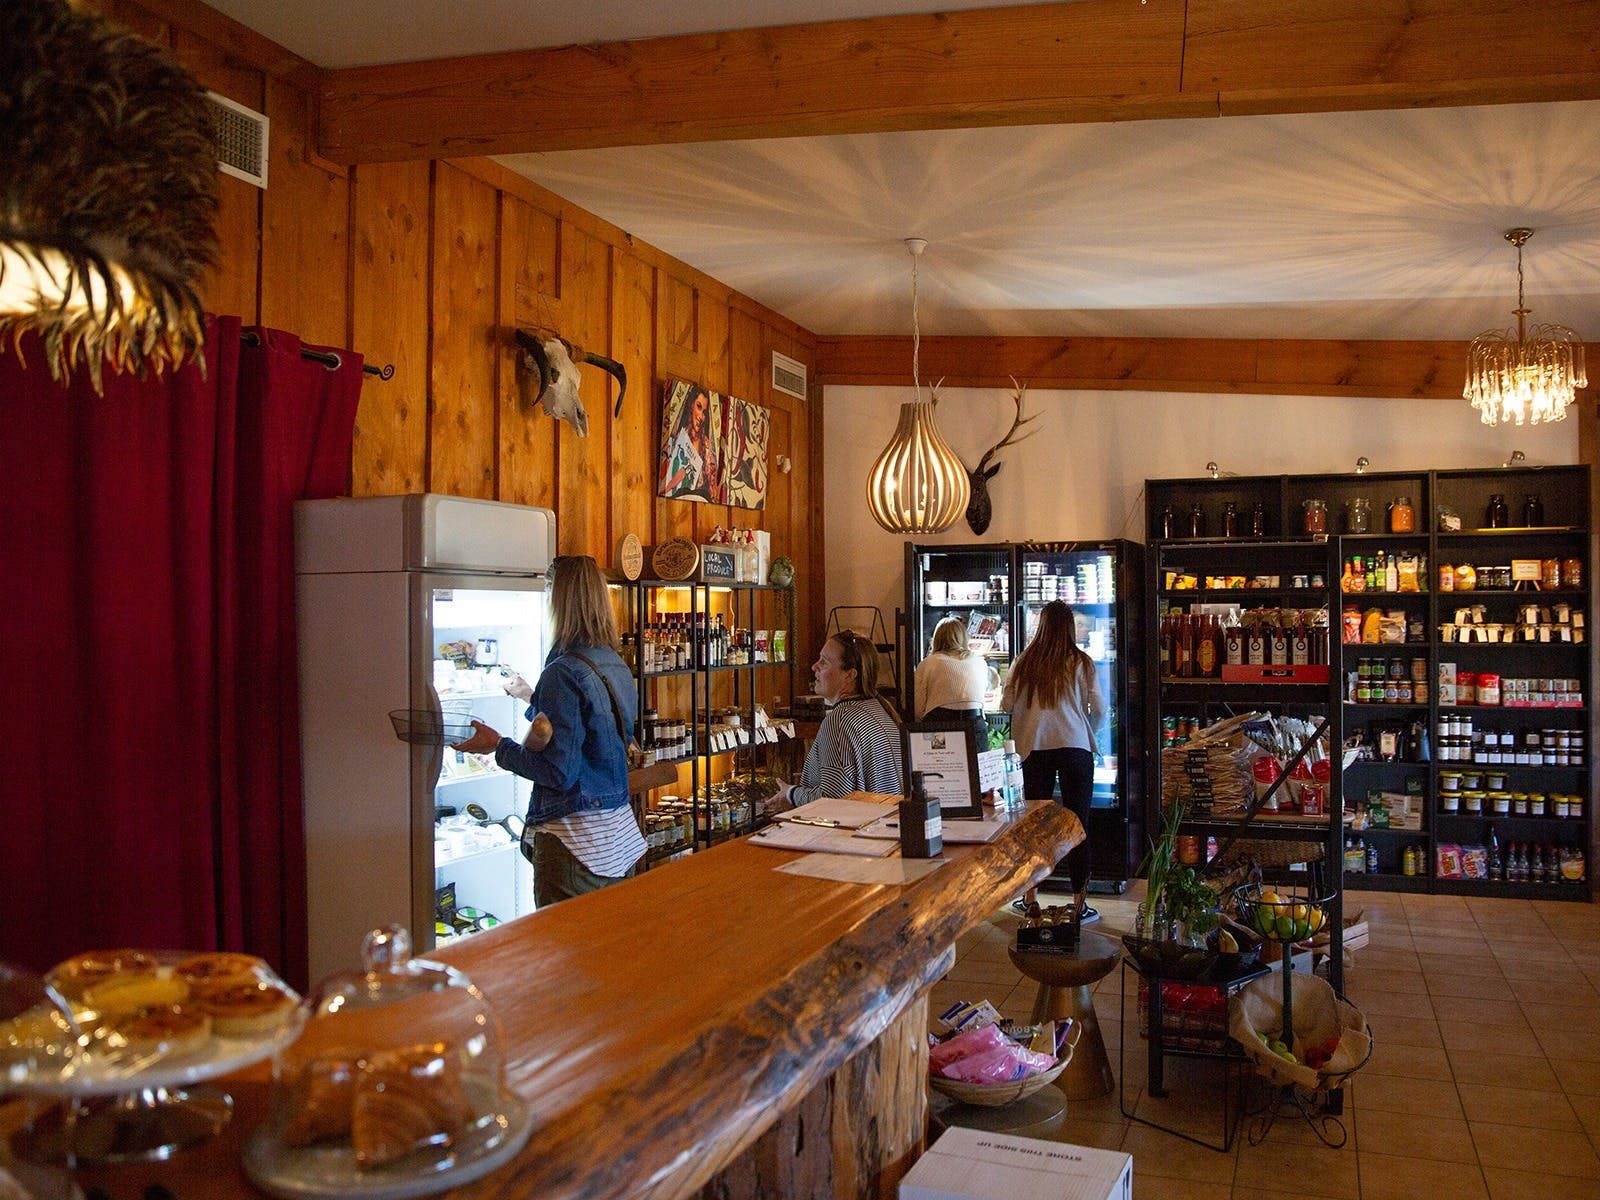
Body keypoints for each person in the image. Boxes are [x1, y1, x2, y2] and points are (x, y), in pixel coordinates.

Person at [453, 555, 645, 906]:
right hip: (617, 840)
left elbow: (558, 771)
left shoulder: (562, 671)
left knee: (564, 942)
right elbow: (592, 729)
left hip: (576, 843)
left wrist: (497, 745)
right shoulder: (612, 662)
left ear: (557, 600)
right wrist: (532, 696)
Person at [1001, 600, 1105, 923]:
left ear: (1040, 626)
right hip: (1075, 747)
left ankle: (1030, 899)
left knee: (1034, 827)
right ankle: (1079, 904)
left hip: (1034, 748)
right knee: (1077, 826)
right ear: (1070, 627)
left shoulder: (1024, 661)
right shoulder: (1082, 662)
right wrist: (1088, 730)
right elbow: (1099, 708)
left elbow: (1006, 703)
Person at [776, 630, 903, 807]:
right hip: (885, 819)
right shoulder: (880, 708)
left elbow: (834, 800)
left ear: (850, 675)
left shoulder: (839, 720)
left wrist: (791, 793)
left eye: (824, 662)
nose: (814, 667)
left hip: (861, 822)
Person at [914, 616, 994, 752]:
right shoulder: (980, 662)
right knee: (975, 764)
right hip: (975, 723)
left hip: (939, 723)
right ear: (964, 637)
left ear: (936, 638)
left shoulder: (928, 663)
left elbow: (919, 709)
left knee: (941, 764)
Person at [660, 385, 715, 500]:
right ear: (691, 405)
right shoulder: (678, 436)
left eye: (704, 412)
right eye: (698, 407)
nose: (701, 417)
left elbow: (711, 491)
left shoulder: (706, 447)